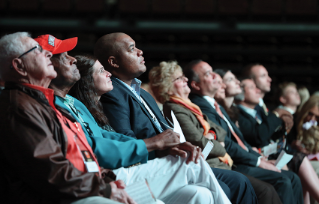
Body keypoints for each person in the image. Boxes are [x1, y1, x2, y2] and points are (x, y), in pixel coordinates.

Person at [40, 33, 230, 204]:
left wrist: (161, 146)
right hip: (99, 178)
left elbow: (106, 137)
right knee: (192, 164)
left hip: (108, 172)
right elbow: (92, 147)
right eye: (62, 56)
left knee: (199, 194)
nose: (71, 59)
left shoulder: (73, 102)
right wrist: (152, 145)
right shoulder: (45, 105)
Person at [94, 32, 255, 202]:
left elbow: (174, 132)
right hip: (153, 163)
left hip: (176, 157)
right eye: (132, 49)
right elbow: (125, 139)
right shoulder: (113, 94)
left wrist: (179, 144)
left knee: (239, 181)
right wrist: (163, 147)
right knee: (233, 184)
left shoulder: (144, 94)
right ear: (113, 62)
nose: (140, 51)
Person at [0, 32, 129, 204]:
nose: (47, 54)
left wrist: (105, 178)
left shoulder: (41, 101)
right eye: (37, 50)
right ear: (19, 66)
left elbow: (78, 154)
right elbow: (50, 172)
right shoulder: (19, 107)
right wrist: (103, 188)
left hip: (84, 186)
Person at [149, 60, 283, 204]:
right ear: (167, 88)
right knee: (257, 187)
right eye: (179, 78)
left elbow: (220, 130)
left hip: (219, 162)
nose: (186, 79)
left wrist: (211, 136)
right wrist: (218, 144)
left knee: (269, 184)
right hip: (209, 164)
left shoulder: (191, 106)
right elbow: (198, 141)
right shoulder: (174, 108)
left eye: (184, 76)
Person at [185, 59, 303, 204]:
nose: (216, 76)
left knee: (293, 178)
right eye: (209, 74)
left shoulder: (216, 106)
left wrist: (258, 157)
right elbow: (225, 141)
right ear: (195, 85)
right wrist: (258, 161)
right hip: (233, 162)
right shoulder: (200, 105)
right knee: (280, 182)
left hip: (243, 158)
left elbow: (238, 140)